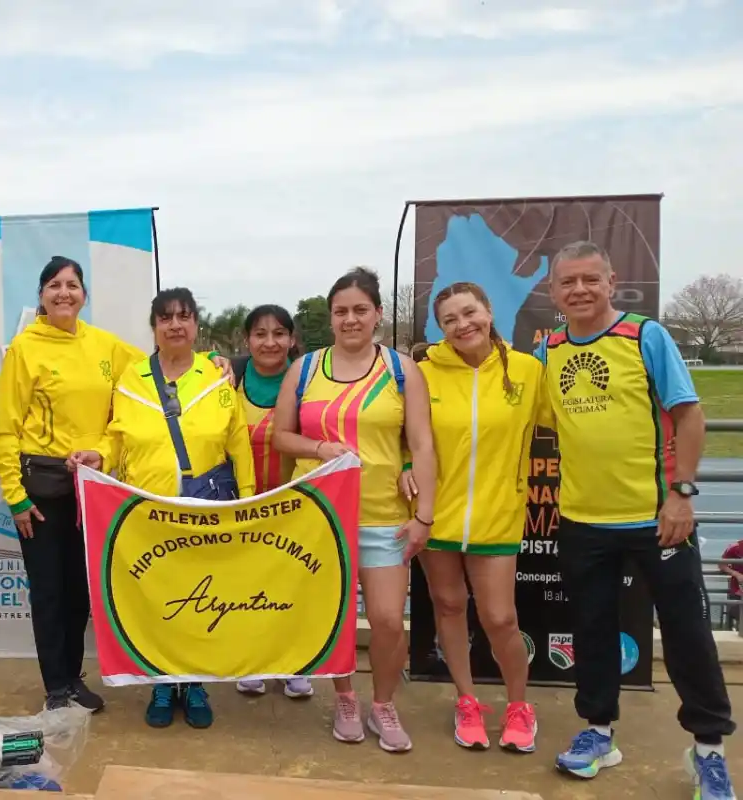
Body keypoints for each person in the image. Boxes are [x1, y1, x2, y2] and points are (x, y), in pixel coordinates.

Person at [0, 257, 234, 713]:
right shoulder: (25, 349)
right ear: (41, 295)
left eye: (73, 285)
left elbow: (164, 364)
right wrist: (15, 497)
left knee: (82, 589)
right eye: (54, 285)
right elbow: (3, 429)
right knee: (48, 590)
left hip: (94, 487)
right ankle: (56, 688)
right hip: (40, 489)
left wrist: (217, 362)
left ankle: (74, 678)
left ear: (84, 295)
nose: (64, 293)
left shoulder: (105, 347)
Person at [539, 241, 735, 798]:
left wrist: (681, 495)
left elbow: (689, 415)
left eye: (589, 280)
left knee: (688, 636)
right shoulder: (548, 351)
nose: (579, 290)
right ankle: (599, 733)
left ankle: (708, 752)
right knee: (592, 632)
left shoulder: (645, 335)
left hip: (657, 520)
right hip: (580, 520)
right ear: (553, 292)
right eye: (567, 282)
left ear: (611, 281)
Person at [70, 287, 256, 730]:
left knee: (200, 600)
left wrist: (247, 498)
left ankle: (193, 683)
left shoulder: (217, 376)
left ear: (196, 325)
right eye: (166, 318)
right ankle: (159, 681)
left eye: (184, 317)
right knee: (156, 601)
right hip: (146, 510)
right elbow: (116, 436)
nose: (175, 325)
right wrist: (98, 456)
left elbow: (238, 442)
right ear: (154, 327)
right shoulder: (132, 378)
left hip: (205, 507)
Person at [272, 267, 436, 753]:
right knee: (335, 617)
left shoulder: (403, 369)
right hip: (319, 516)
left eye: (359, 309)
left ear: (378, 314)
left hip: (384, 513)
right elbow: (280, 435)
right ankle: (344, 697)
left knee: (387, 620)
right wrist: (321, 449)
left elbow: (423, 445)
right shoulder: (303, 369)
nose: (349, 319)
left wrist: (424, 513)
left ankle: (383, 704)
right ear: (330, 317)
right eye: (340, 311)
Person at [412, 282, 544, 753]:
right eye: (450, 319)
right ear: (439, 328)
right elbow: (403, 435)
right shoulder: (423, 373)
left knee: (499, 617)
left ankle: (518, 707)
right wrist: (408, 473)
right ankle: (466, 701)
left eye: (470, 313)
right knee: (448, 607)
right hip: (436, 518)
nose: (462, 324)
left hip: (497, 516)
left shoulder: (528, 371)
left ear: (488, 313)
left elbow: (569, 423)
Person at [229, 304, 314, 701]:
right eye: (260, 334)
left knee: (291, 583)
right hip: (240, 501)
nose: (270, 342)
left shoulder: (307, 382)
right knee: (247, 585)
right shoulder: (230, 379)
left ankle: (296, 662)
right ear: (247, 340)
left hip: (291, 504)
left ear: (292, 339)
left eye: (279, 333)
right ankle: (252, 659)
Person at [720, 538, 743, 632]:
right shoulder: (735, 547)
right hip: (737, 591)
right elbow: (721, 565)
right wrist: (736, 574)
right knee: (738, 616)